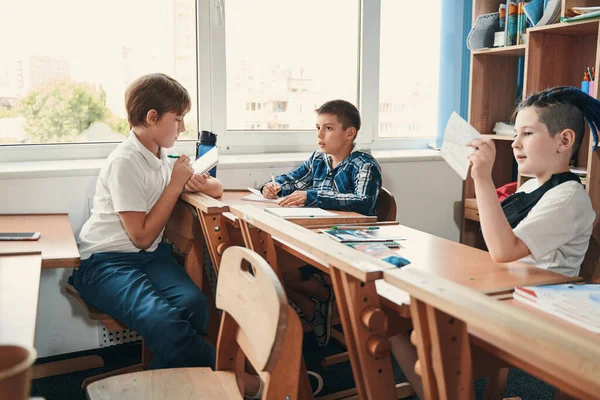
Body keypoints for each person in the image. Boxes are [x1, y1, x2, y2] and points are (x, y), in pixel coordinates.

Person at [392, 86, 597, 398]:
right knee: (398, 318)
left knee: (427, 337)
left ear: (564, 140)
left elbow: (503, 250)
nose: (515, 144)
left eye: (527, 133)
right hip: (507, 291)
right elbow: (496, 241)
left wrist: (483, 178)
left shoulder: (569, 197)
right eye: (515, 134)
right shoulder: (530, 189)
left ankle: (439, 388)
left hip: (537, 311)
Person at [69, 73, 261, 397]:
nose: (183, 128)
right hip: (105, 262)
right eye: (179, 118)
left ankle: (155, 386)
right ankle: (239, 380)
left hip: (149, 258)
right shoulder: (125, 162)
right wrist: (175, 184)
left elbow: (217, 188)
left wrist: (198, 182)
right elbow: (141, 236)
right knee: (162, 322)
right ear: (152, 117)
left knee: (196, 306)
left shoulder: (161, 156)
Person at [262, 99, 383, 347]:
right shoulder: (320, 158)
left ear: (350, 133)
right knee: (273, 264)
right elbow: (294, 179)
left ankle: (324, 297)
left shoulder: (364, 164)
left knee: (282, 268)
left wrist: (312, 195)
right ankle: (319, 305)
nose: (319, 135)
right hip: (317, 236)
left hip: (348, 242)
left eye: (327, 128)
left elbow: (363, 202)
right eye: (317, 128)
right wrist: (273, 186)